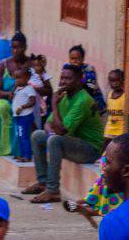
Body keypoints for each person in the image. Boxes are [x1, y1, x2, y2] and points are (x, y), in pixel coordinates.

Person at [27, 63, 105, 204]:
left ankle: (53, 190)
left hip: (90, 149)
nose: (63, 82)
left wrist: (54, 105)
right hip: (72, 142)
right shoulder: (64, 97)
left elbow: (63, 130)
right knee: (37, 135)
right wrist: (53, 133)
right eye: (62, 78)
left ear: (79, 80)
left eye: (68, 79)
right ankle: (43, 182)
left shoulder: (82, 100)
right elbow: (48, 124)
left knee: (55, 140)